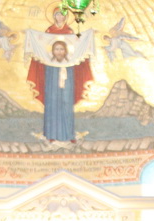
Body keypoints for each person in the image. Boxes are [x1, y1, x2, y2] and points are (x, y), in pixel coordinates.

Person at [26, 10, 93, 142]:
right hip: (51, 72)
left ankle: (68, 134)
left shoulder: (70, 32)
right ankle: (51, 134)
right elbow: (41, 49)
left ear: (66, 16)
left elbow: (77, 49)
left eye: (62, 14)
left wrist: (86, 43)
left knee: (67, 102)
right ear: (53, 16)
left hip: (68, 70)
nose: (60, 16)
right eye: (57, 14)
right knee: (52, 102)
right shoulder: (48, 32)